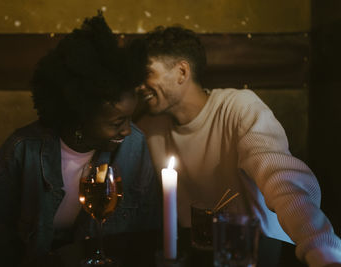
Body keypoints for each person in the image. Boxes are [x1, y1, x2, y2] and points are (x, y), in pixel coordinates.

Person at [135, 26, 341, 266]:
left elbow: (281, 178)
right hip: (198, 257)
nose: (139, 86)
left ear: (182, 72)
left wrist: (321, 248)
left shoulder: (239, 107)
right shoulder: (149, 127)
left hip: (263, 254)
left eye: (146, 74)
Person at [0, 13, 160, 267]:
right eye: (117, 122)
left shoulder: (134, 146)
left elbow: (149, 230)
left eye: (129, 119)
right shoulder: (22, 149)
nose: (128, 130)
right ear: (80, 115)